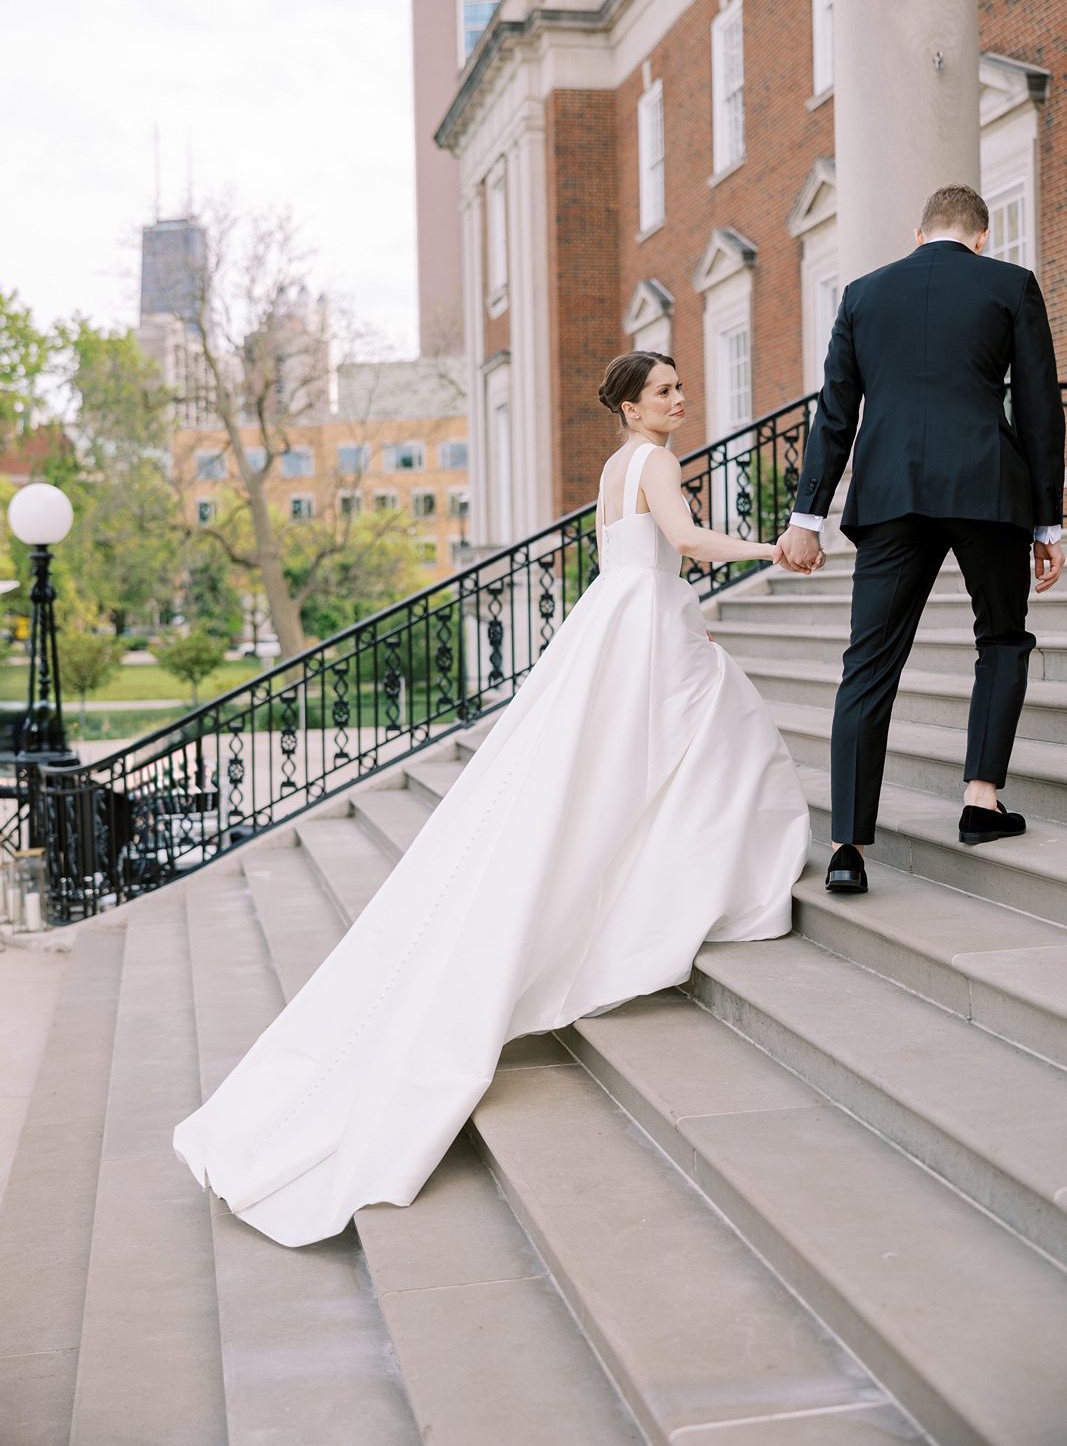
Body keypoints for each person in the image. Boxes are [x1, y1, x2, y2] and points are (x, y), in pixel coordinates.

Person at [174, 351, 810, 1247]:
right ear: (632, 407)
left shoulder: (613, 466)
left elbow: (636, 556)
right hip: (644, 630)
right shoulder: (656, 463)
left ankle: (695, 880)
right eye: (663, 390)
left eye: (676, 388)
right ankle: (713, 888)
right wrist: (772, 546)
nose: (679, 399)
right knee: (714, 739)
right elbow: (690, 545)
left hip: (622, 622)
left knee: (684, 753)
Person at [779, 183, 1064, 894]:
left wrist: (805, 518)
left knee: (867, 664)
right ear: (979, 237)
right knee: (1000, 638)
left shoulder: (863, 294)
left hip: (889, 492)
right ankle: (978, 800)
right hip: (985, 487)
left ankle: (846, 845)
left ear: (917, 231)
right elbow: (1037, 406)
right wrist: (1048, 520)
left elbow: (834, 412)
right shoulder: (1009, 284)